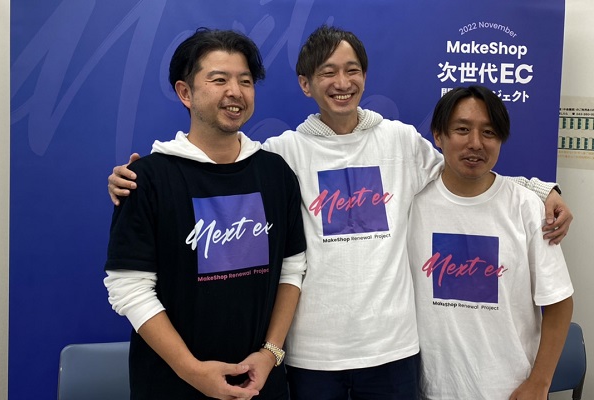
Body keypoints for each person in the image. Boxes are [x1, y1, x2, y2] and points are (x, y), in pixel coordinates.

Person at [108, 26, 573, 399]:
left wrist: (540, 189)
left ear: (365, 78)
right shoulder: (282, 155)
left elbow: (464, 167)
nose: (342, 82)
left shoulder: (400, 141)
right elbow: (218, 169)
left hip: (393, 350)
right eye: (327, 72)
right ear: (305, 84)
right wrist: (144, 175)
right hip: (311, 356)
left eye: (352, 70)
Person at [104, 27, 307, 400]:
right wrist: (192, 370)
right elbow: (128, 287)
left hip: (260, 383)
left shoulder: (276, 173)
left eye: (245, 81)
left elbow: (292, 269)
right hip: (170, 387)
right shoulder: (146, 179)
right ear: (186, 92)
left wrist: (270, 354)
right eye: (219, 79)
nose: (235, 91)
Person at [407, 85, 573, 400]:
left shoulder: (526, 207)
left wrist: (539, 383)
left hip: (510, 390)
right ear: (438, 136)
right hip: (432, 389)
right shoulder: (412, 204)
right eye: (462, 129)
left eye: (489, 132)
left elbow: (559, 302)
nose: (475, 143)